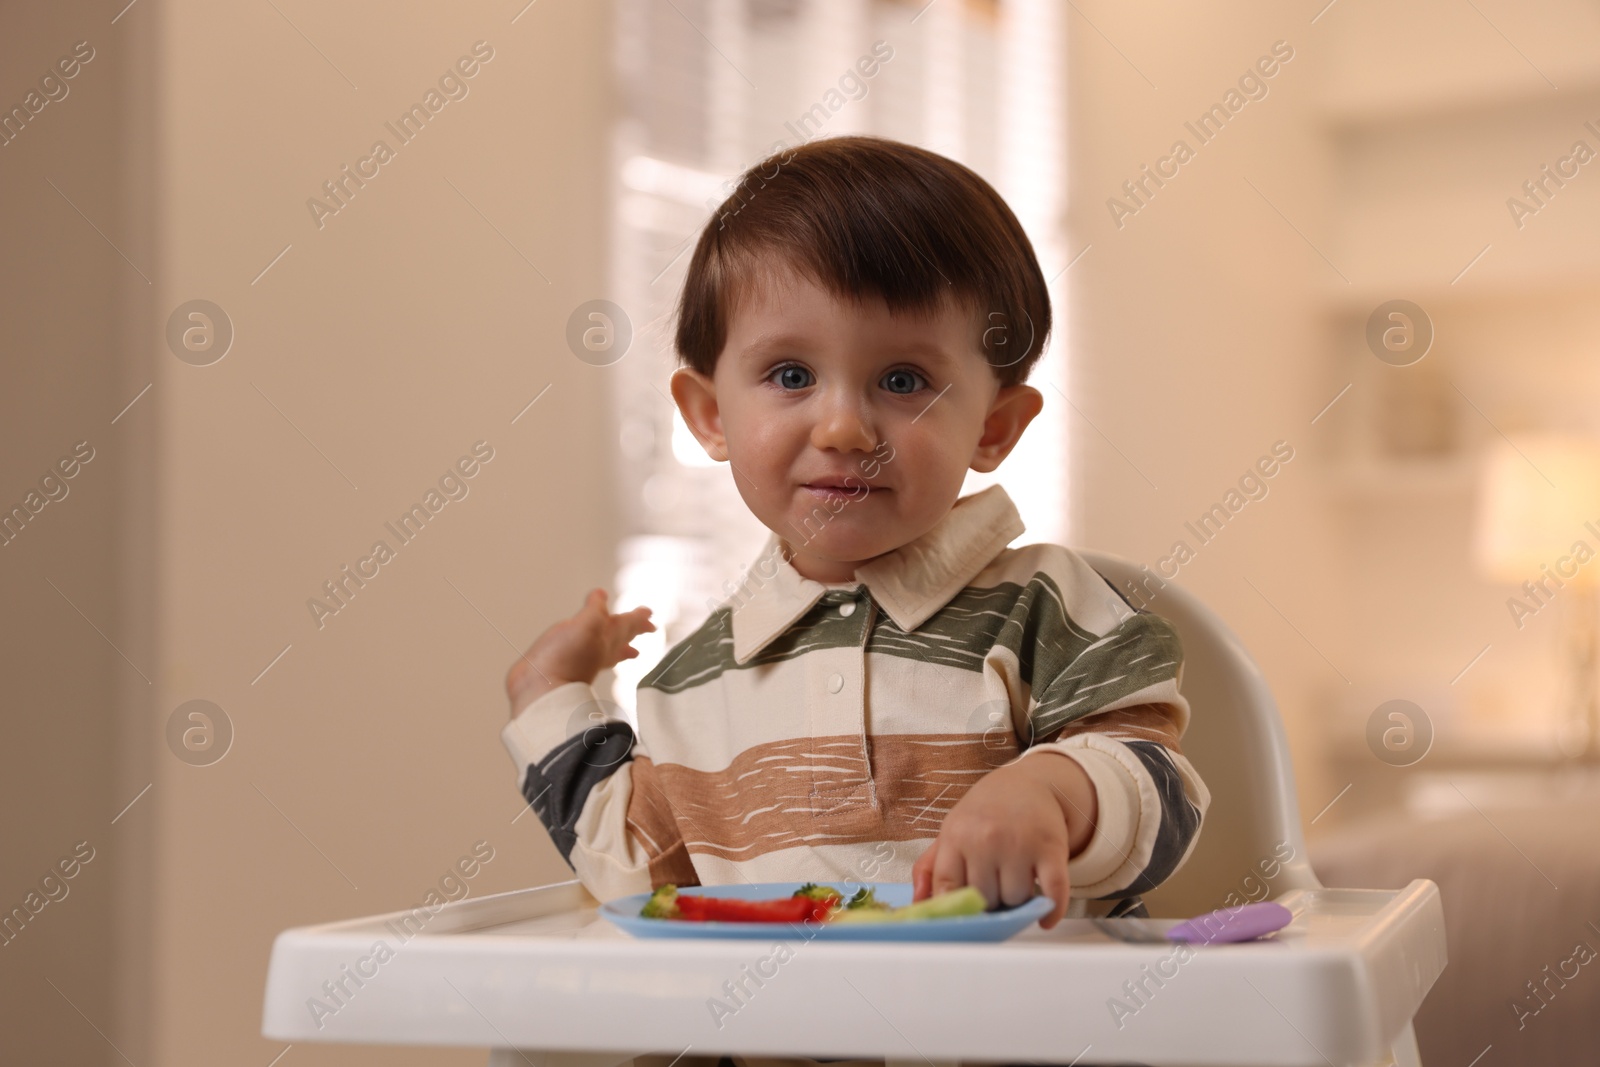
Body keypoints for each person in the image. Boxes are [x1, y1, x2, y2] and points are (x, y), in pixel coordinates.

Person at [501, 135, 1209, 946]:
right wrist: (551, 697)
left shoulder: (1049, 605)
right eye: (791, 375)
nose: (842, 427)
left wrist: (1051, 791)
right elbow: (643, 877)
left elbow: (1163, 792)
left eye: (903, 380)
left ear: (995, 426)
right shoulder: (692, 678)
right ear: (709, 415)